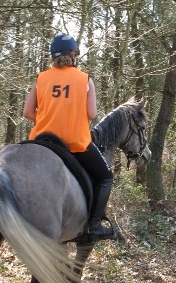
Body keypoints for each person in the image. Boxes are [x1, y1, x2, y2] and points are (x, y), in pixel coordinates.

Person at [23, 33, 116, 241]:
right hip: (75, 143)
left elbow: (28, 112)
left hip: (42, 141)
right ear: (73, 55)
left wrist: (47, 117)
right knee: (105, 177)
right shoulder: (85, 79)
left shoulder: (40, 78)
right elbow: (91, 113)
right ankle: (94, 226)